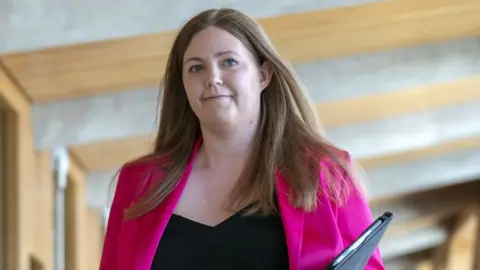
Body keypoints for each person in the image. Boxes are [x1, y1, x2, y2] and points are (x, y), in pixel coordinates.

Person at [100, 8, 385, 270]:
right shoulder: (138, 183)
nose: (213, 77)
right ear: (183, 85)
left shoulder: (324, 171)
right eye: (196, 68)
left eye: (229, 62)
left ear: (263, 75)